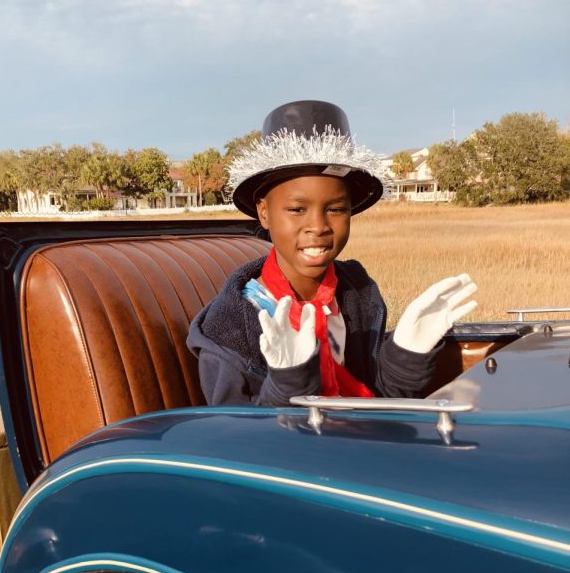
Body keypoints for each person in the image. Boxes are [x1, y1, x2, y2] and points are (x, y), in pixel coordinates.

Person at [187, 100, 477, 406]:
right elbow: (236, 442)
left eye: (336, 209)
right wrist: (288, 382)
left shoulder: (356, 295)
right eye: (297, 209)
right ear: (264, 213)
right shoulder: (232, 325)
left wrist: (405, 353)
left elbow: (379, 404)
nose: (319, 226)